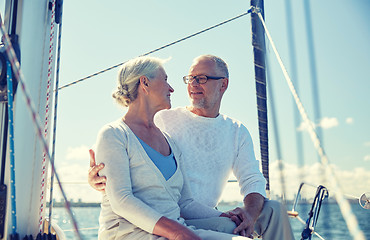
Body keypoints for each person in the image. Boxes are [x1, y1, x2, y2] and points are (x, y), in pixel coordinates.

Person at [90, 55, 295, 239]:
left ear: (223, 85)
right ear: (145, 83)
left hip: (192, 215)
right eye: (190, 78)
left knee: (273, 210)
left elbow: (250, 180)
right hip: (154, 226)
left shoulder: (232, 131)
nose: (189, 85)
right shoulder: (157, 119)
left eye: (202, 78)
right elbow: (118, 170)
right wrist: (98, 176)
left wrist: (242, 216)